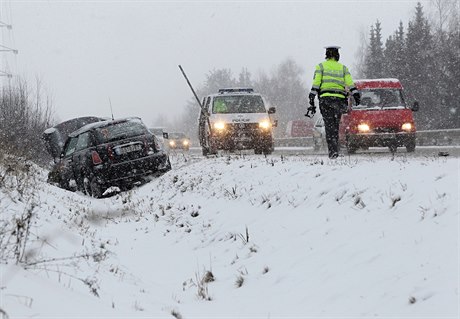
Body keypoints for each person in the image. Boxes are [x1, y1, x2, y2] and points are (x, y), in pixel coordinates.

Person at [308, 45, 360, 159]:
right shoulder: (343, 68)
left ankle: (332, 152)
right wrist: (355, 93)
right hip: (339, 100)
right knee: (336, 126)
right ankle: (335, 149)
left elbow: (316, 83)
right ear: (337, 55)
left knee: (328, 125)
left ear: (326, 55)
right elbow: (350, 83)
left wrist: (312, 95)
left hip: (325, 100)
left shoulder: (320, 67)